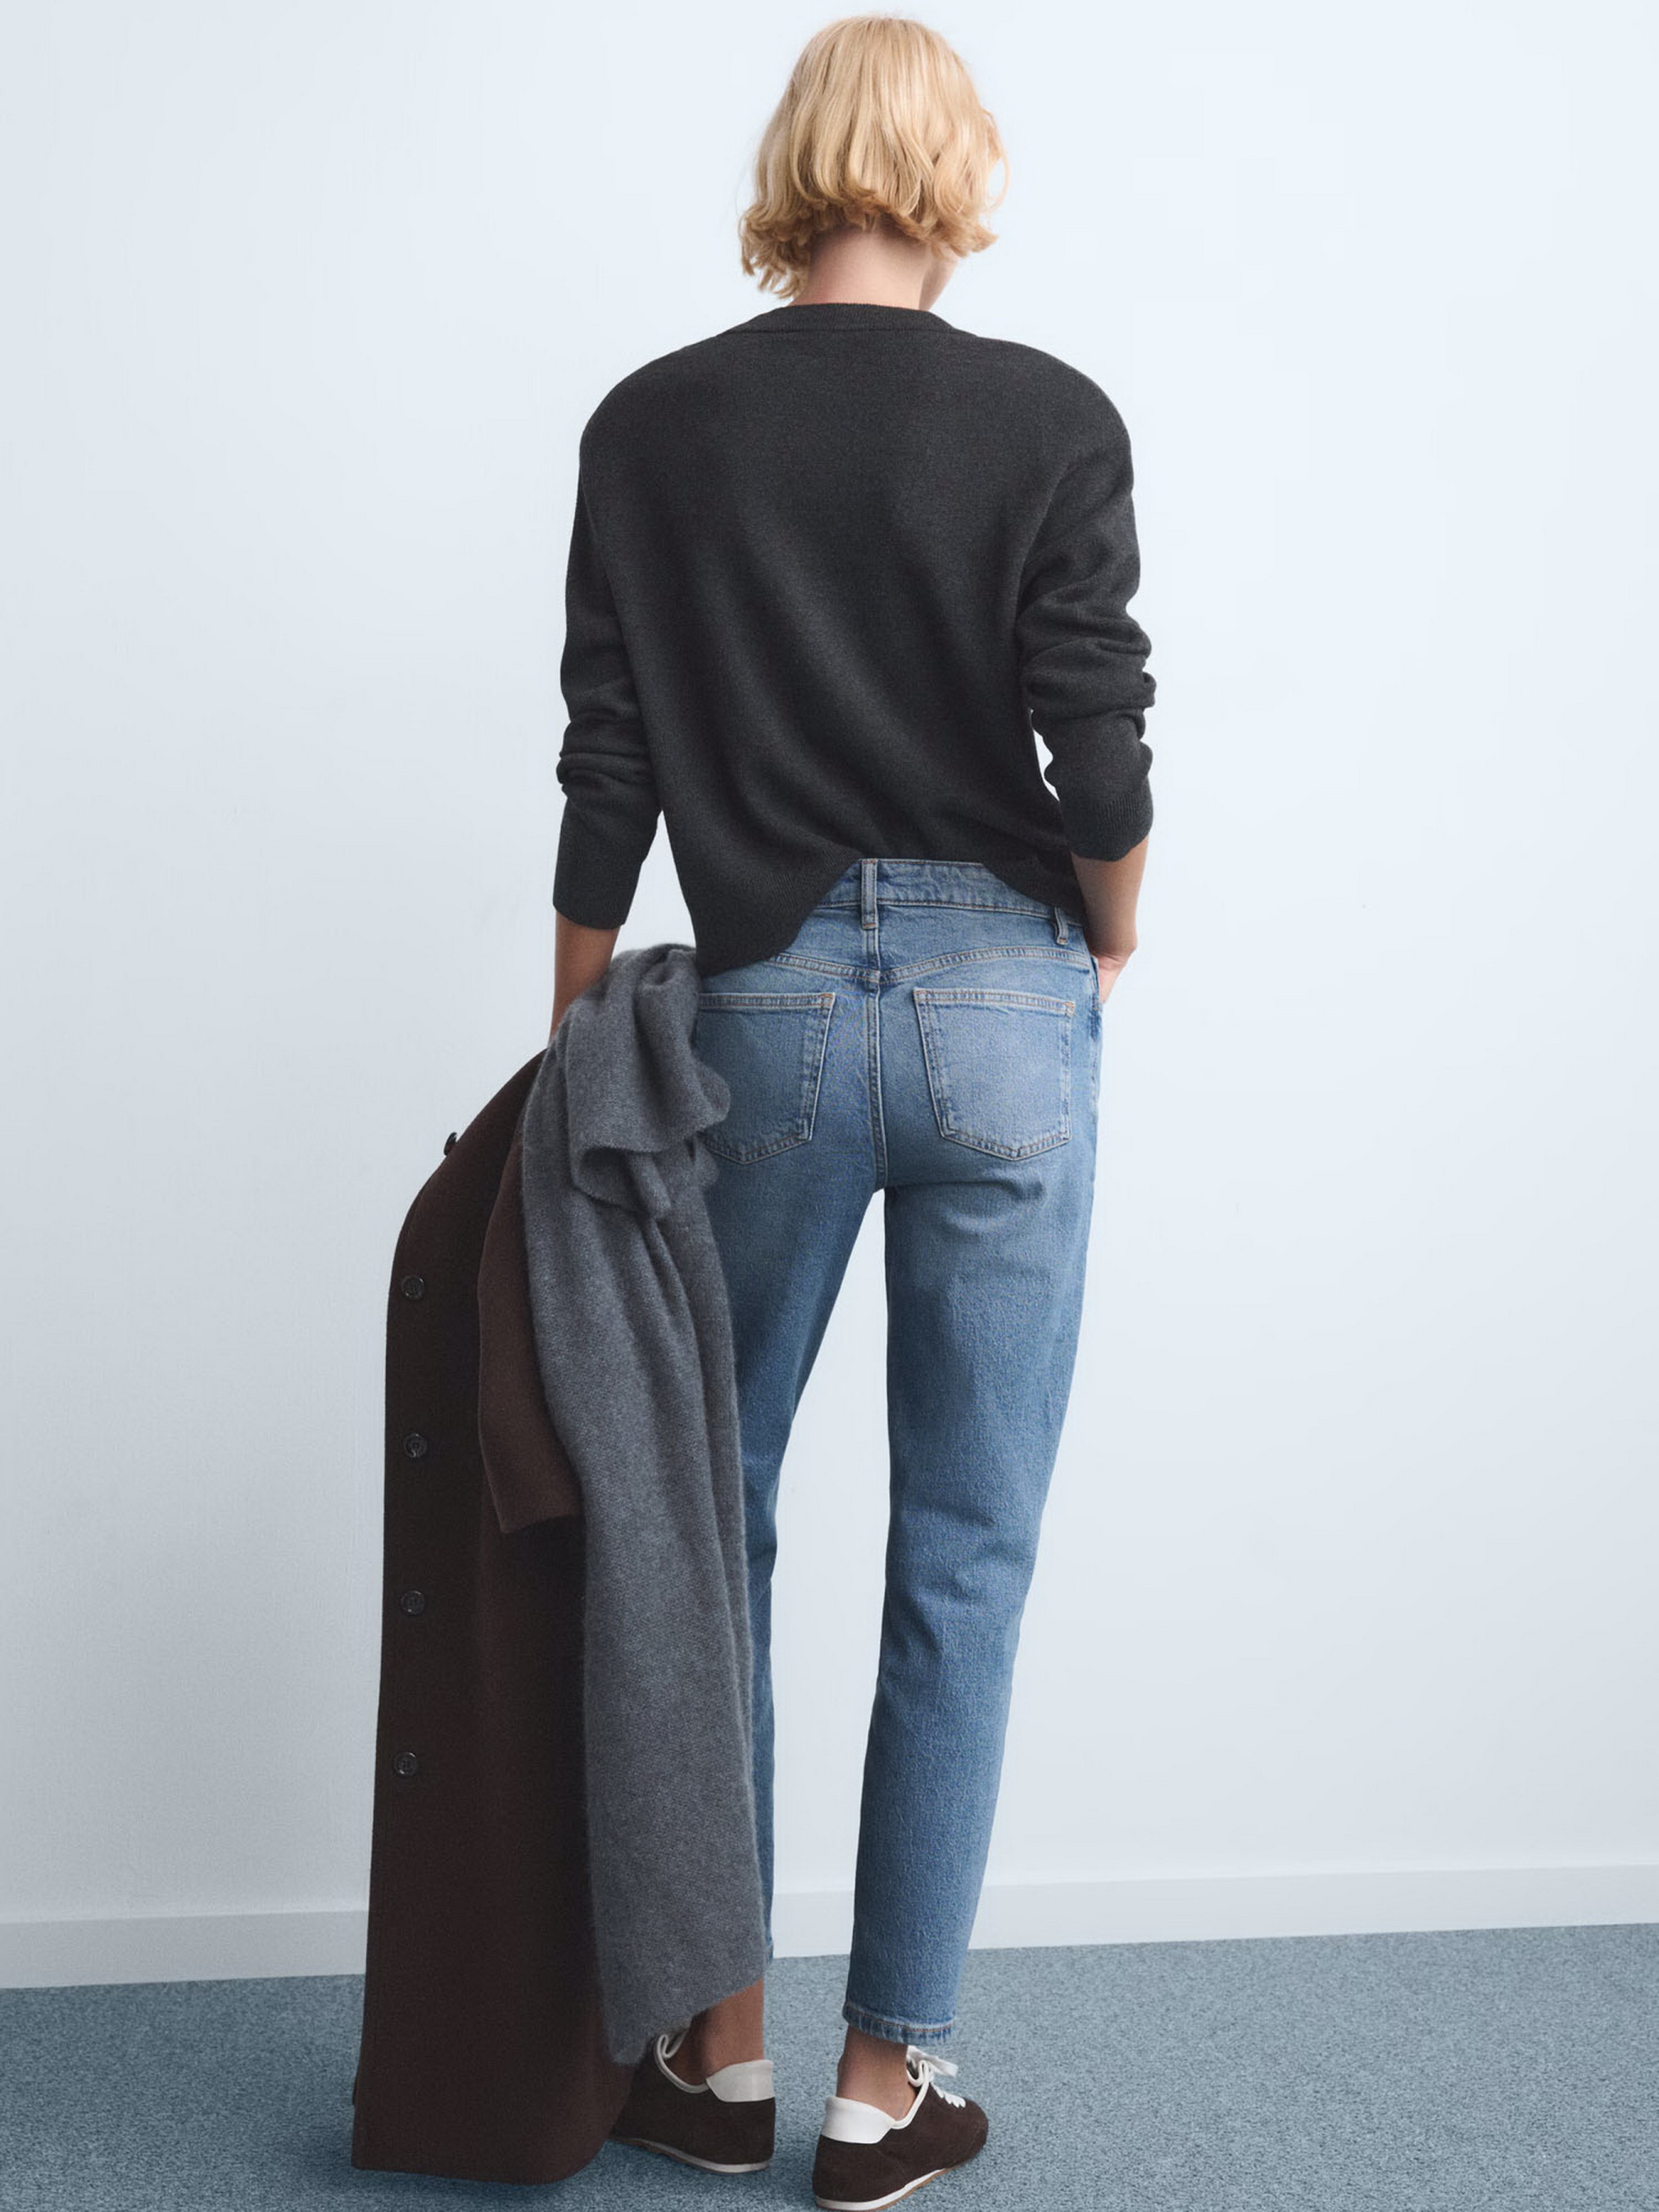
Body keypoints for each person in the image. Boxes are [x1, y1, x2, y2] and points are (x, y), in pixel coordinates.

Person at [547, 16, 1155, 2206]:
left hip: (768, 1006)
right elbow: (1101, 747)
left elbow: (609, 760)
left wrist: (576, 1034)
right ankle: (884, 2091)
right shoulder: (1050, 417)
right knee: (963, 1552)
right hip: (1005, 997)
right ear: (955, 169)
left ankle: (714, 2058)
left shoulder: (652, 423)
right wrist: (1103, 943)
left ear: (795, 162)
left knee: (708, 1526)